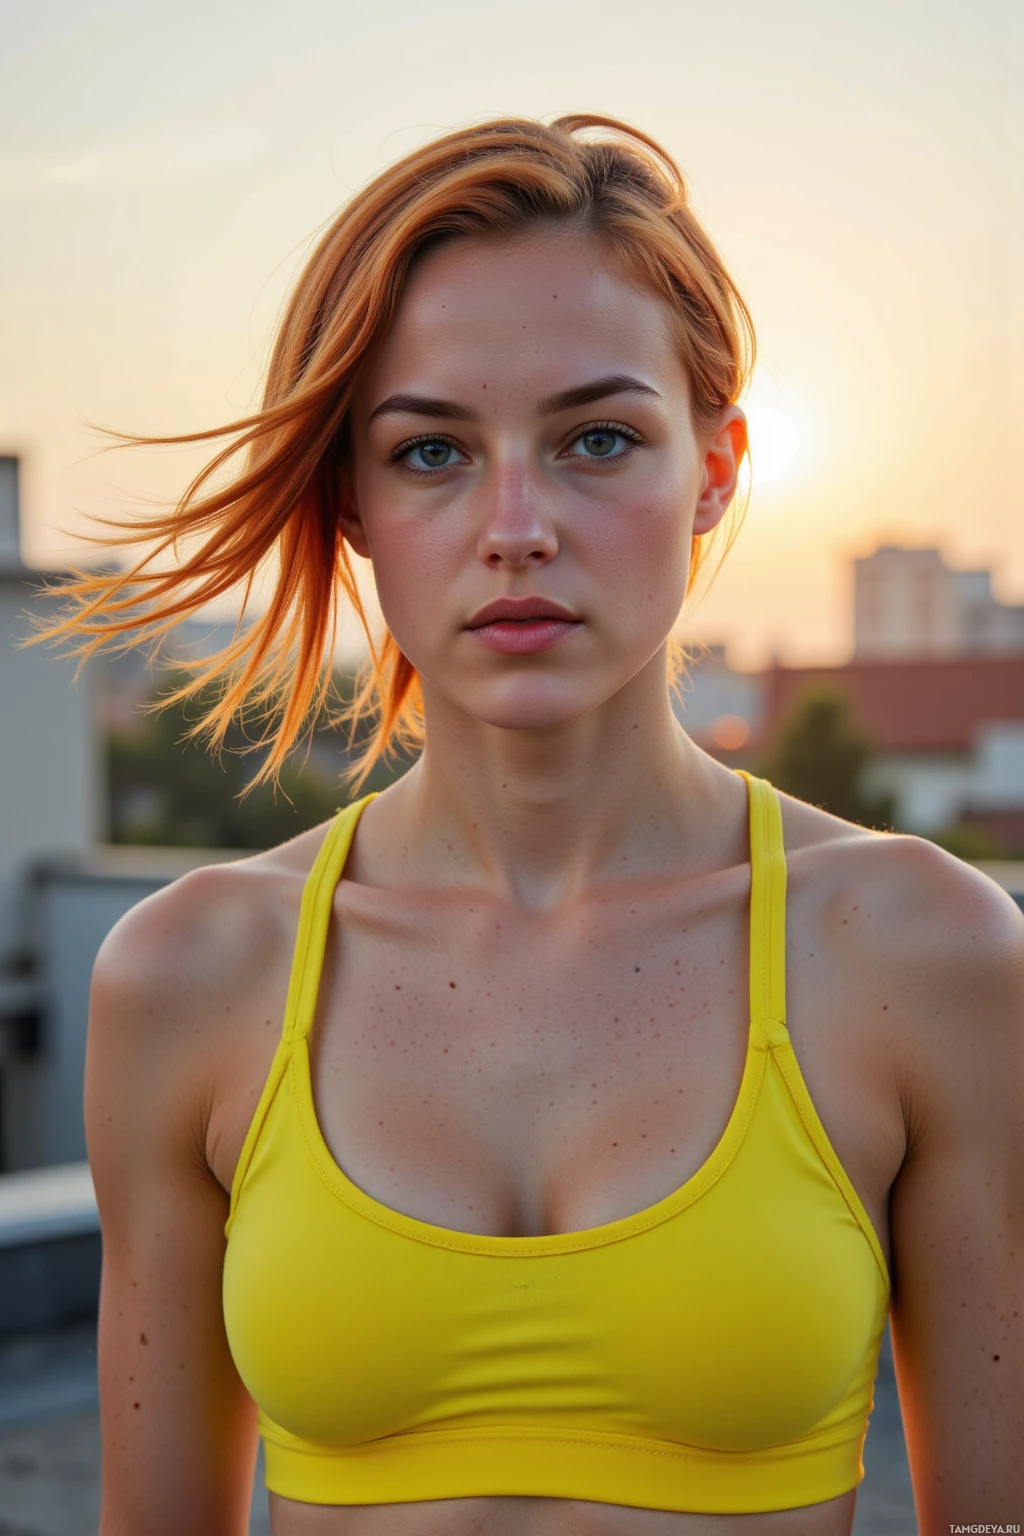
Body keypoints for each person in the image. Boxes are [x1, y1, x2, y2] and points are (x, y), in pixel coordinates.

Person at [40, 116, 1022, 1535]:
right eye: (432, 452)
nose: (517, 525)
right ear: (354, 503)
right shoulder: (189, 976)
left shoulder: (919, 951)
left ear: (717, 466)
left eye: (598, 438)